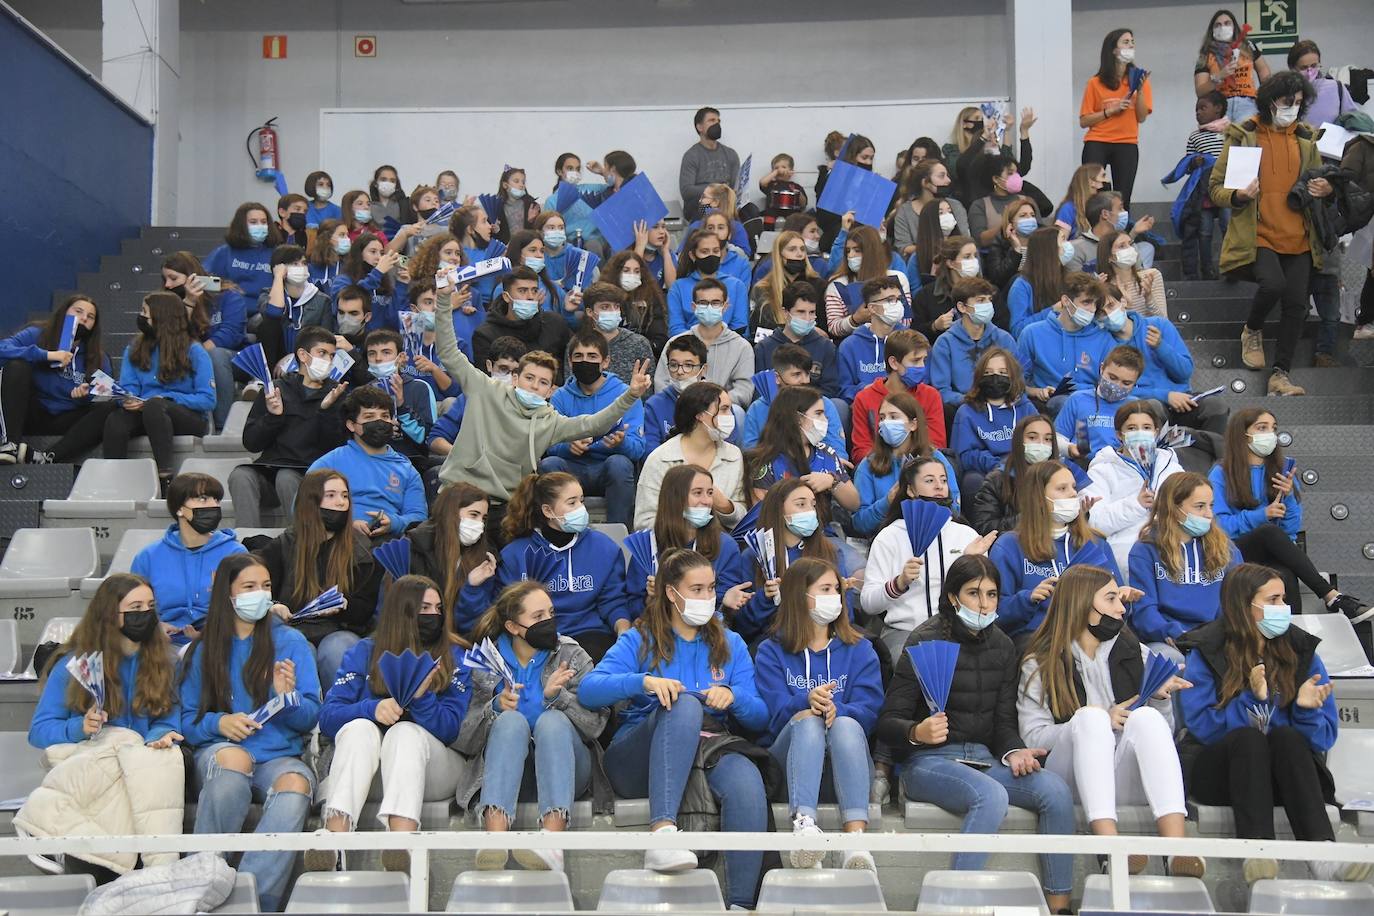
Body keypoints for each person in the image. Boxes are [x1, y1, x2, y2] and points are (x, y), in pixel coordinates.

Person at [878, 554, 1074, 913]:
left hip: (984, 759)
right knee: (992, 796)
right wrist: (917, 732)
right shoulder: (923, 639)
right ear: (953, 597)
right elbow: (888, 723)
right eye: (974, 593)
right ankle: (951, 904)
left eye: (992, 595)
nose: (984, 604)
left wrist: (1015, 750)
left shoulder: (1003, 646)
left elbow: (1003, 723)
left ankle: (1059, 905)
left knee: (1055, 791)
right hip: (928, 763)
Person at [580, 548, 769, 910]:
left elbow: (760, 717)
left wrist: (734, 697)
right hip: (639, 755)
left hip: (710, 747)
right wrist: (644, 682)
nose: (707, 598)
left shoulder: (731, 643)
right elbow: (589, 690)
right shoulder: (640, 638)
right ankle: (662, 835)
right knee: (682, 703)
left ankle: (742, 904)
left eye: (711, 588)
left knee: (746, 775)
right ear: (671, 592)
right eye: (696, 589)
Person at [1178, 562, 1372, 884]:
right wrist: (1252, 699)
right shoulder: (1206, 649)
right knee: (1250, 740)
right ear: (1243, 606)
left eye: (1283, 599)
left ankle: (1324, 856)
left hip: (1283, 779)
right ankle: (1258, 855)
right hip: (1222, 776)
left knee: (1286, 738)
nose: (1284, 608)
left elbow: (1323, 741)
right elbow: (1202, 727)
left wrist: (1306, 710)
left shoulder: (1301, 650)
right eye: (1273, 600)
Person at [1018, 564, 1199, 878]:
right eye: (1112, 599)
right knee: (1090, 718)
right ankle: (1108, 846)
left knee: (1146, 718)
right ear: (1082, 605)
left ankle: (1176, 850)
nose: (1121, 608)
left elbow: (1163, 735)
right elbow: (1033, 738)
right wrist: (1101, 716)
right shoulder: (1040, 662)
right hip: (1069, 776)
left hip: (1123, 774)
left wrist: (1159, 699)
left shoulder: (1135, 652)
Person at [431, 287, 651, 522]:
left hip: (505, 506)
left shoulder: (549, 419)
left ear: (550, 390)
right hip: (460, 494)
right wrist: (444, 300)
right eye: (529, 378)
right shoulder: (485, 389)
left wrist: (630, 395)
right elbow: (448, 353)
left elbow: (593, 425)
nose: (535, 386)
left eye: (543, 382)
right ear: (515, 378)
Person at [179, 553, 319, 911]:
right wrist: (218, 723)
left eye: (267, 586)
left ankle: (253, 900)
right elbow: (185, 721)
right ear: (227, 594)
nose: (261, 593)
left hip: (280, 757)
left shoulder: (291, 643)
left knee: (297, 785)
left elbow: (310, 717)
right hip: (221, 752)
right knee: (234, 759)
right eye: (250, 587)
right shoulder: (202, 649)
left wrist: (287, 698)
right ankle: (201, 883)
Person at [22, 573, 182, 880]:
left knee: (149, 762)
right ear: (110, 614)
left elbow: (169, 718)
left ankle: (52, 830)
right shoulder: (74, 664)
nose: (145, 614)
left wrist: (158, 736)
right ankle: (158, 873)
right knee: (122, 761)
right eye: (135, 607)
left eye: (150, 606)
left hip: (140, 761)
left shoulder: (166, 661)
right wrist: (79, 727)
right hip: (93, 757)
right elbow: (40, 731)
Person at [310, 574, 469, 873]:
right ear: (402, 610)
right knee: (359, 728)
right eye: (424, 608)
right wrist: (372, 709)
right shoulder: (364, 652)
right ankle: (334, 843)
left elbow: (453, 730)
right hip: (370, 769)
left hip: (437, 768)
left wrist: (422, 700)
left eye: (438, 609)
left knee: (405, 731)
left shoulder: (455, 656)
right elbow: (329, 718)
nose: (433, 616)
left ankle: (401, 844)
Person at [454, 581, 606, 872]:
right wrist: (494, 708)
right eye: (537, 617)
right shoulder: (485, 662)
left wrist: (558, 698)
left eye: (550, 613)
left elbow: (597, 723)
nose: (548, 622)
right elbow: (463, 739)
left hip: (569, 770)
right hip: (509, 774)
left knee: (551, 720)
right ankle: (494, 839)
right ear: (513, 627)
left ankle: (551, 842)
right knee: (510, 721)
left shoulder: (571, 654)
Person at [755, 558, 883, 869]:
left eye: (837, 590)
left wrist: (839, 709)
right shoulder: (771, 651)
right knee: (808, 719)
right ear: (800, 596)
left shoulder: (860, 649)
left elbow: (870, 710)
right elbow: (769, 715)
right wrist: (804, 702)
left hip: (846, 766)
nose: (835, 598)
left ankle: (855, 840)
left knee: (845, 724)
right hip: (791, 767)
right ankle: (804, 825)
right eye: (825, 589)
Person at [1212, 70, 1331, 397]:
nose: (1291, 107)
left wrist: (1324, 188)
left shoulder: (1306, 138)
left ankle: (1281, 374)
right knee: (1274, 283)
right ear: (1269, 101)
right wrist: (1238, 197)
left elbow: (1317, 180)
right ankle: (1252, 329)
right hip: (1259, 233)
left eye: (1297, 102)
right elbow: (1216, 189)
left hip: (1300, 236)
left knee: (1297, 305)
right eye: (1285, 101)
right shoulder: (1244, 134)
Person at [1208, 408, 1369, 621]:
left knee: (1284, 574)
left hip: (1273, 550)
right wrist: (1262, 514)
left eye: (1273, 429)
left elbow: (1289, 531)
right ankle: (1330, 595)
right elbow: (1218, 526)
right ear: (1242, 433)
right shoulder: (1220, 473)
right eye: (1261, 427)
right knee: (1268, 531)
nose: (1270, 434)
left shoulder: (1281, 471)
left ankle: (1293, 633)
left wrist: (1289, 496)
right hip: (1234, 550)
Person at [256, 470, 384, 690]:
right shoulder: (285, 544)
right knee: (298, 648)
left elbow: (364, 610)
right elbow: (259, 589)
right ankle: (301, 715)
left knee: (338, 649)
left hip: (340, 629)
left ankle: (341, 713)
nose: (340, 503)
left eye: (344, 496)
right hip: (293, 628)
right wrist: (274, 606)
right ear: (311, 501)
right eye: (331, 495)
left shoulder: (362, 550)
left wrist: (345, 606)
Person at [988, 460, 1135, 647]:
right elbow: (994, 611)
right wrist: (1027, 598)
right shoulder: (1009, 546)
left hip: (1092, 637)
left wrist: (1122, 598)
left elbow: (1119, 610)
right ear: (1038, 497)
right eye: (1062, 488)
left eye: (1073, 487)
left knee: (1130, 647)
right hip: (1038, 640)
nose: (1073, 493)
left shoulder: (1097, 544)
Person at [863, 457, 995, 662]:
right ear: (910, 490)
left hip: (958, 631)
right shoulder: (889, 536)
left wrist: (968, 562)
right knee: (906, 662)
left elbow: (981, 598)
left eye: (943, 480)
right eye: (929, 480)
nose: (939, 486)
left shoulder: (966, 535)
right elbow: (868, 604)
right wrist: (899, 583)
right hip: (904, 632)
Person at [497, 471, 630, 661]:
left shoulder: (604, 547)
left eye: (581, 501)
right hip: (539, 636)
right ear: (548, 511)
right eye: (572, 502)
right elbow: (508, 610)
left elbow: (613, 600)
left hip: (591, 634)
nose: (581, 509)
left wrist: (623, 631)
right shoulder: (516, 555)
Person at [228, 326, 350, 529]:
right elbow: (251, 442)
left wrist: (326, 410)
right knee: (241, 475)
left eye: (332, 355)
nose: (328, 360)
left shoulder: (338, 393)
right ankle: (246, 539)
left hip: (312, 473)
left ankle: (300, 539)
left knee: (286, 477)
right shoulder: (275, 389)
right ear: (303, 354)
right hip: (271, 470)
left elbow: (337, 448)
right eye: (322, 353)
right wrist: (273, 417)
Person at [104, 293, 215, 487]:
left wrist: (166, 398)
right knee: (116, 419)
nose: (141, 317)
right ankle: (114, 480)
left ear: (162, 317)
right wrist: (127, 399)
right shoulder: (134, 349)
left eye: (145, 312)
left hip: (189, 418)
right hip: (146, 411)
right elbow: (129, 386)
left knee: (155, 405)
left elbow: (207, 400)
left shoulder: (195, 351)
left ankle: (165, 478)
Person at [539, 329, 646, 529]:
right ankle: (555, 529)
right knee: (549, 463)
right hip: (572, 468)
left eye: (592, 356)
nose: (585, 361)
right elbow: (549, 442)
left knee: (620, 464)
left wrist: (621, 444)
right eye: (578, 356)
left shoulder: (626, 394)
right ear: (570, 362)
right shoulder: (560, 396)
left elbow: (638, 448)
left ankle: (620, 531)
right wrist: (567, 446)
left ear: (605, 362)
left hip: (608, 467)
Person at [1126, 472, 1241, 657]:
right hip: (1167, 640)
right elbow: (1145, 611)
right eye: (1200, 507)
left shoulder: (1226, 548)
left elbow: (1236, 602)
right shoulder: (1145, 551)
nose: (1209, 514)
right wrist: (1173, 633)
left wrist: (1217, 636)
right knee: (1172, 660)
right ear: (1173, 508)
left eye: (1211, 506)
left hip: (1215, 637)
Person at [735, 479, 860, 645]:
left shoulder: (830, 553)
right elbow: (743, 627)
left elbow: (847, 618)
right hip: (774, 645)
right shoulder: (754, 555)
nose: (810, 511)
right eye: (801, 504)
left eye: (813, 505)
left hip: (824, 643)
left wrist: (835, 595)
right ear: (778, 509)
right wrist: (765, 598)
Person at [1094, 284, 1226, 437]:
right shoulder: (1102, 343)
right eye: (1101, 313)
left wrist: (1160, 347)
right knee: (1151, 407)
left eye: (1111, 305)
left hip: (1182, 399)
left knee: (1215, 405)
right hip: (1147, 403)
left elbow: (1185, 372)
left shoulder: (1158, 325)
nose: (1109, 314)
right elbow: (1112, 387)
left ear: (1123, 302)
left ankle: (1216, 456)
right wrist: (1165, 395)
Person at [0, 295, 113, 465]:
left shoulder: (99, 357)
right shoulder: (37, 334)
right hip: (31, 413)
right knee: (16, 366)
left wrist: (86, 395)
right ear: (64, 313)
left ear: (93, 326)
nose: (83, 318)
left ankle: (47, 458)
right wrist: (45, 355)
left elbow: (107, 393)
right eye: (78, 311)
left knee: (109, 408)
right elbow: (2, 349)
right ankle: (10, 445)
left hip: (66, 419)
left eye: (90, 317)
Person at [307, 387, 428, 539]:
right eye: (369, 417)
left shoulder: (407, 469)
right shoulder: (330, 462)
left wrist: (393, 523)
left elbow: (418, 517)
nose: (379, 422)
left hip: (389, 543)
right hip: (339, 540)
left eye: (385, 416)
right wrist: (346, 525)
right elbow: (303, 507)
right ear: (351, 425)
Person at [627, 464, 750, 612]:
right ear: (675, 498)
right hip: (658, 630)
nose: (707, 501)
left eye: (710, 493)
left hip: (709, 630)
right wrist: (652, 598)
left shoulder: (725, 546)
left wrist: (724, 602)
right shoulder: (646, 545)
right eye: (698, 493)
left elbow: (729, 609)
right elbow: (633, 607)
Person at [1083, 400, 1184, 574]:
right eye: (1131, 428)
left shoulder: (1171, 467)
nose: (1140, 433)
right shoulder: (1101, 470)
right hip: (1123, 555)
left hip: (1169, 548)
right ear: (1119, 435)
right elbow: (1095, 523)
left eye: (1146, 427)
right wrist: (1136, 504)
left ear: (1156, 432)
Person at [637, 380, 745, 531]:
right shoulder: (661, 458)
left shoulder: (734, 455)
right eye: (724, 409)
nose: (730, 415)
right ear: (700, 415)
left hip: (720, 545)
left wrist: (724, 506)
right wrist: (686, 525)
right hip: (672, 548)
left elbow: (743, 516)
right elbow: (644, 522)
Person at [160, 250, 247, 432]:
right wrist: (189, 303)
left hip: (232, 358)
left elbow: (231, 333)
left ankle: (223, 427)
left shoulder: (228, 296)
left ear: (192, 277)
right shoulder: (170, 302)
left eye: (173, 278)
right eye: (165, 279)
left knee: (214, 355)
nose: (168, 285)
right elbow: (173, 336)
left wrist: (199, 353)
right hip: (189, 358)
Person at [853, 391, 960, 537]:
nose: (886, 423)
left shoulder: (935, 458)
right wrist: (887, 502)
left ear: (913, 424)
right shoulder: (868, 464)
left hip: (935, 535)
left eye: (893, 417)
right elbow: (859, 523)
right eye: (882, 418)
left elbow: (955, 507)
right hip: (887, 541)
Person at [744, 385, 859, 519]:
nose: (825, 420)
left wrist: (832, 482)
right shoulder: (763, 460)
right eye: (818, 413)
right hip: (780, 534)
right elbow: (761, 515)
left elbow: (854, 503)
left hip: (822, 533)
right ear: (797, 418)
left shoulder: (826, 452)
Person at [404, 483, 498, 636]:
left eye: (484, 518)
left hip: (459, 643)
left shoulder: (485, 559)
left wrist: (472, 588)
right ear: (451, 513)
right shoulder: (413, 548)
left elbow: (475, 627)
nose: (480, 524)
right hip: (414, 637)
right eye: (474, 515)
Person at [969, 415, 1081, 537]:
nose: (1041, 444)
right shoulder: (997, 480)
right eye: (1032, 437)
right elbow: (984, 527)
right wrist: (1031, 516)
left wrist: (1082, 514)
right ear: (1019, 441)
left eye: (1048, 439)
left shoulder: (1066, 475)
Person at [1016, 273, 1111, 412]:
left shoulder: (1104, 338)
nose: (1092, 309)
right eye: (1086, 302)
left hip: (1093, 405)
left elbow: (1111, 383)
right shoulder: (1031, 334)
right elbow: (1016, 382)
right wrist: (1036, 392)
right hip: (1047, 406)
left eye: (1095, 304)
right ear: (1066, 301)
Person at [1079, 28, 1153, 207]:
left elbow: (1141, 117)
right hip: (1098, 141)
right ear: (1113, 49)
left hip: (1127, 142)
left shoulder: (1139, 79)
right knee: (1095, 196)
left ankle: (1122, 233)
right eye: (1126, 42)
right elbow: (1084, 121)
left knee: (1123, 198)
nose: (1131, 45)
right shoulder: (1095, 83)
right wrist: (1110, 111)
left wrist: (1140, 90)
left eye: (1132, 42)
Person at [951, 347, 1038, 498]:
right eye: (988, 373)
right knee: (972, 481)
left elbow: (1042, 440)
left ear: (1013, 376)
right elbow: (964, 455)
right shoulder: (966, 412)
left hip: (1023, 465)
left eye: (1003, 373)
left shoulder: (1026, 408)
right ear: (979, 377)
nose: (995, 377)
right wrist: (996, 465)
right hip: (987, 470)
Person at [851, 329, 946, 463]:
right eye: (915, 361)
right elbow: (861, 450)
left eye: (924, 360)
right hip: (879, 468)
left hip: (921, 467)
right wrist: (891, 463)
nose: (922, 367)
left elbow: (937, 444)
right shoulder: (864, 398)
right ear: (894, 363)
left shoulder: (931, 395)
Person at [653, 292, 754, 409]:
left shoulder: (742, 346)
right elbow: (661, 383)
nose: (709, 308)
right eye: (703, 303)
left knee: (738, 412)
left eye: (715, 303)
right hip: (672, 408)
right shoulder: (674, 342)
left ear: (725, 306)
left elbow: (744, 391)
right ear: (694, 306)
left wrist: (711, 403)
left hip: (721, 410)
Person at [929, 279, 1019, 411]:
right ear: (962, 307)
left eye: (989, 300)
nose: (988, 305)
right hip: (964, 407)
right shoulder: (945, 343)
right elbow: (942, 391)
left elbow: (1018, 381)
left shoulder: (1005, 339)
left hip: (1003, 404)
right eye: (981, 300)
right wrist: (970, 400)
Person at [1170, 92, 1231, 281]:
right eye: (1196, 109)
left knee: (1228, 225)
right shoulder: (1195, 136)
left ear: (1218, 108)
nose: (1198, 112)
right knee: (1204, 232)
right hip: (1203, 194)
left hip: (1226, 190)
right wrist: (1194, 162)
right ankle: (1207, 269)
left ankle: (1232, 266)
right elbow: (1188, 165)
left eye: (1203, 108)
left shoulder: (1231, 131)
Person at [472, 268, 571, 374]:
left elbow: (571, 362)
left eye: (534, 290)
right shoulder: (486, 335)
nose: (530, 297)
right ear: (506, 297)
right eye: (522, 291)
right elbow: (486, 380)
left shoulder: (554, 323)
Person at [1054, 344, 1145, 459]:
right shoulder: (1078, 400)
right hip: (1083, 466)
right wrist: (1070, 449)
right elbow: (1058, 438)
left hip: (1122, 468)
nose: (1116, 386)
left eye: (1126, 383)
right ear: (1102, 369)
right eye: (1112, 378)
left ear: (1135, 382)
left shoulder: (1137, 407)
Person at [824, 225, 910, 340]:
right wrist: (855, 319)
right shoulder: (838, 284)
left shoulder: (897, 278)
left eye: (857, 250)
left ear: (872, 252)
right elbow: (833, 326)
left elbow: (906, 320)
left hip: (893, 343)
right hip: (855, 344)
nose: (851, 255)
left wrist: (883, 314)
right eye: (848, 251)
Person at [836, 278, 911, 401]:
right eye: (890, 300)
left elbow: (922, 380)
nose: (897, 304)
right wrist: (867, 389)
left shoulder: (911, 340)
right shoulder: (849, 346)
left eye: (899, 299)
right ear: (872, 308)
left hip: (905, 404)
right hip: (866, 403)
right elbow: (844, 389)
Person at [259, 244, 333, 367]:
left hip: (308, 358)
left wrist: (294, 358)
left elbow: (325, 339)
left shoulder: (322, 300)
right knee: (268, 324)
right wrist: (278, 277)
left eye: (303, 263)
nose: (301, 267)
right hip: (276, 357)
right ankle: (265, 378)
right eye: (294, 264)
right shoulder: (267, 294)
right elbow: (274, 312)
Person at [1194, 9, 1270, 122]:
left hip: (1248, 103)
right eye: (1218, 25)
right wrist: (1219, 76)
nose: (1223, 27)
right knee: (1223, 140)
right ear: (1212, 30)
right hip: (1220, 107)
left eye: (1227, 23)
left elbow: (1263, 70)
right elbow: (1200, 91)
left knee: (1247, 138)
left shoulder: (1248, 46)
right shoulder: (1206, 53)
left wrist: (1265, 94)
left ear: (1234, 26)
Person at [574, 283, 656, 387]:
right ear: (590, 312)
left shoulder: (639, 343)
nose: (612, 311)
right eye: (605, 307)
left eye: (616, 306)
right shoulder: (578, 344)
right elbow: (571, 385)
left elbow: (648, 388)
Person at [668, 233, 749, 336]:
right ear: (692, 255)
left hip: (728, 347)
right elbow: (675, 328)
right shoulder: (678, 287)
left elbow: (740, 326)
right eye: (704, 251)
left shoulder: (737, 286)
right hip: (689, 348)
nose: (711, 255)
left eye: (715, 251)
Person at [909, 236, 979, 345]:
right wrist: (934, 326)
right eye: (967, 257)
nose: (973, 261)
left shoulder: (987, 292)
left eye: (975, 256)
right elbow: (914, 334)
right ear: (950, 263)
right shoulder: (926, 295)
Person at [203, 202, 281, 299]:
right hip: (233, 307)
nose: (260, 226)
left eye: (264, 222)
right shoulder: (224, 253)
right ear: (241, 225)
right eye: (253, 222)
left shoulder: (277, 254)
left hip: (267, 309)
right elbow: (203, 280)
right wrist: (223, 286)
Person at [893, 160, 970, 258]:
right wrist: (932, 248)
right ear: (925, 182)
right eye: (941, 176)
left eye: (947, 176)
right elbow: (903, 248)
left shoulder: (955, 206)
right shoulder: (905, 211)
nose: (948, 180)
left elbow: (965, 240)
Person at [644, 335, 709, 452]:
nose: (679, 371)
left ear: (703, 369)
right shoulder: (654, 404)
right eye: (673, 365)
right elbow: (650, 451)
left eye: (688, 365)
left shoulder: (717, 401)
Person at [1065, 189, 1155, 272]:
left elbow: (1139, 276)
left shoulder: (1129, 245)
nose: (1124, 212)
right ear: (1105, 214)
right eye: (1120, 208)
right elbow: (1077, 285)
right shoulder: (1076, 249)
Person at [331, 232, 405, 332]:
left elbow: (394, 318)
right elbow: (350, 298)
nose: (379, 257)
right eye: (373, 252)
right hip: (354, 338)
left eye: (382, 253)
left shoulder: (384, 281)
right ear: (359, 254)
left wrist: (402, 285)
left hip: (381, 340)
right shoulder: (343, 280)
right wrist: (377, 273)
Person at [751, 237, 825, 336]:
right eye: (792, 249)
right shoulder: (763, 288)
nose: (799, 254)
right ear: (779, 255)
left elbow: (825, 330)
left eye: (802, 249)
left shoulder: (819, 285)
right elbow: (758, 329)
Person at [1007, 228, 1073, 337]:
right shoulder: (1021, 286)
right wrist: (1052, 310)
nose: (1068, 245)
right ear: (1049, 249)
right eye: (1063, 240)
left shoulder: (1067, 278)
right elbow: (1018, 329)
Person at [679, 107, 741, 223]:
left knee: (751, 210)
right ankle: (704, 239)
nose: (717, 124)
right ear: (700, 127)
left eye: (718, 121)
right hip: (701, 202)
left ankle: (746, 241)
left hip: (726, 202)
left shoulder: (731, 154)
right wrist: (714, 190)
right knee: (711, 213)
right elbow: (686, 191)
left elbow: (736, 186)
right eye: (712, 121)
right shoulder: (691, 155)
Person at [603, 250, 670, 355]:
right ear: (616, 272)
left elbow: (659, 338)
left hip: (642, 353)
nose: (631, 275)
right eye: (626, 270)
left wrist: (639, 347)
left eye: (636, 271)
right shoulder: (603, 295)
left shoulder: (651, 296)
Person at [1289, 39, 1358, 129]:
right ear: (1292, 68)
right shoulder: (1285, 92)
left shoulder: (1336, 88)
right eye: (1303, 68)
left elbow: (1354, 120)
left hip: (1333, 141)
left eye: (1314, 66)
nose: (1309, 72)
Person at [1100, 229, 1165, 318]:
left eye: (1130, 244)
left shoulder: (1151, 276)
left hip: (1151, 331)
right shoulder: (1106, 286)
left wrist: (1149, 298)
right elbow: (1110, 325)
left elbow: (1164, 320)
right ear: (1109, 256)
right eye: (1122, 246)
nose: (1129, 249)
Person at [981, 196, 1040, 289]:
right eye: (1023, 215)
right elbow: (998, 279)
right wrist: (1016, 251)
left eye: (1032, 215)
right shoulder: (999, 244)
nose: (1029, 219)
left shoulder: (1042, 242)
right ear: (1011, 222)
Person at [758, 153, 808, 230]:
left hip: (791, 210)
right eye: (776, 168)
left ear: (791, 171)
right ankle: (768, 232)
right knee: (768, 213)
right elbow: (762, 183)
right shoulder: (771, 184)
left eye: (784, 167)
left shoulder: (795, 186)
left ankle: (791, 234)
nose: (780, 170)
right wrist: (775, 172)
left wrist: (798, 194)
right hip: (773, 209)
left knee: (796, 217)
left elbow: (804, 203)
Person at [368, 164, 415, 230]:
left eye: (392, 181)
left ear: (396, 185)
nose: (388, 183)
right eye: (383, 179)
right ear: (375, 183)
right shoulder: (368, 207)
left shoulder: (405, 204)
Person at [308, 219, 349, 288]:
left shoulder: (348, 266)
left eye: (347, 235)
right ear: (327, 238)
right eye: (342, 235)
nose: (347, 239)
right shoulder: (309, 265)